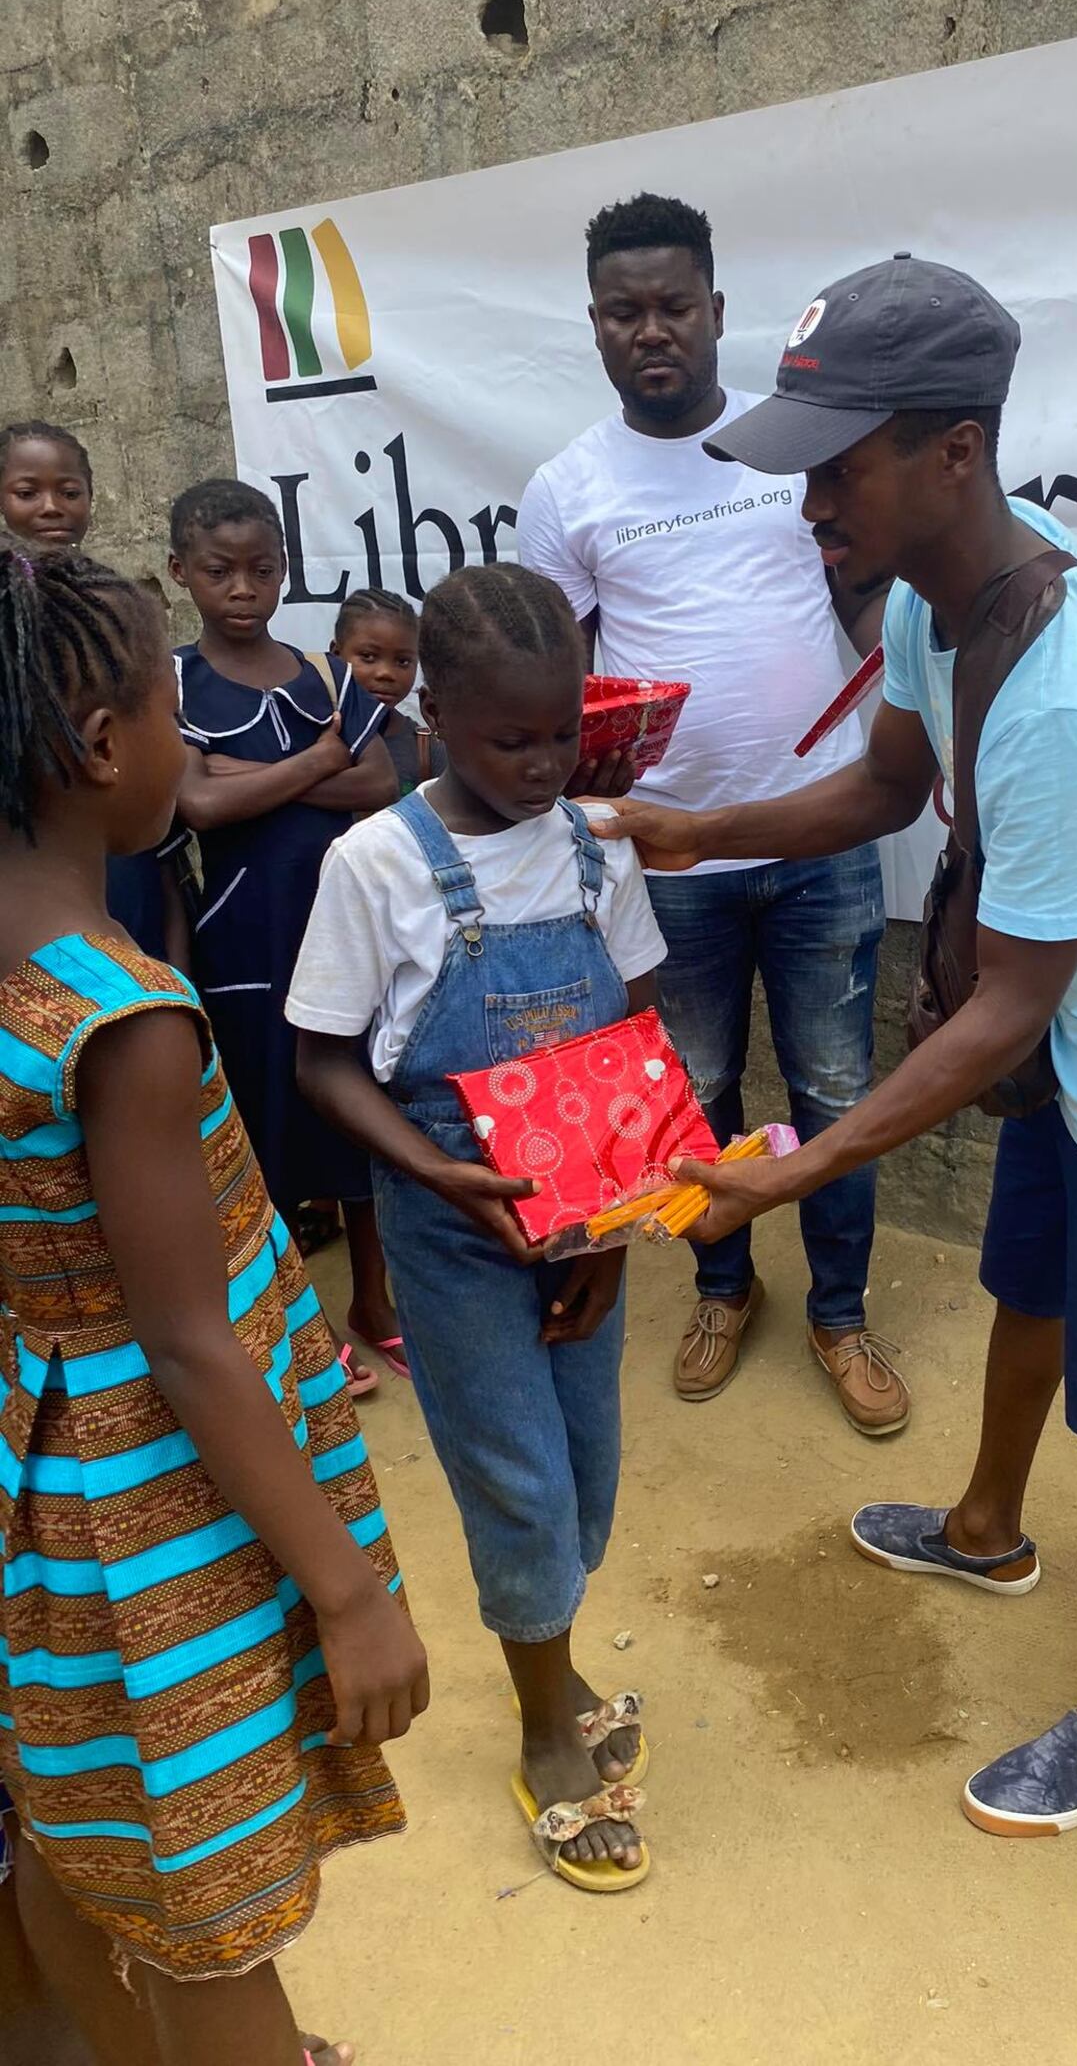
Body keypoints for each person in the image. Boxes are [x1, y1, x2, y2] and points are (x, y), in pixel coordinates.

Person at [595, 254, 1077, 1835]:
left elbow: (1003, 1009)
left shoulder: (1070, 697)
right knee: (1024, 1285)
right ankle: (988, 1526)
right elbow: (883, 793)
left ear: (953, 452)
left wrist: (794, 1169)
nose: (809, 502)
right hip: (1067, 1042)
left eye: (836, 467)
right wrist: (691, 831)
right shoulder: (932, 600)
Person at [0, 537, 428, 2064]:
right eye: (169, 715)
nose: (186, 740)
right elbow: (187, 1338)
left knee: (81, 1825)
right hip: (165, 1514)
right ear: (108, 748)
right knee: (210, 1892)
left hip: (39, 1485)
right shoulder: (124, 1020)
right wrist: (350, 1590)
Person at [290, 564, 668, 1891]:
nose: (545, 762)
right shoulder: (375, 863)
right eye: (513, 737)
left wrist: (618, 1230)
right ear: (436, 712)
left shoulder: (592, 843)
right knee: (517, 1479)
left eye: (564, 731)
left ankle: (555, 1661)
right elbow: (325, 1061)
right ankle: (545, 1727)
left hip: (588, 1218)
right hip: (453, 1235)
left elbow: (635, 1034)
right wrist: (437, 1178)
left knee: (587, 1471)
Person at [517, 192, 911, 1436]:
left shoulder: (792, 448)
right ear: (593, 327)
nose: (652, 331)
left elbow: (859, 604)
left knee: (838, 1086)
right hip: (664, 857)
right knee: (693, 1089)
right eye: (625, 312)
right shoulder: (568, 488)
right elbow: (560, 683)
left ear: (716, 311)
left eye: (673, 306)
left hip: (822, 832)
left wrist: (898, 682)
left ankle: (840, 1315)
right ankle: (724, 1286)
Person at [168, 479, 401, 1397]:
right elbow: (194, 803)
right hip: (243, 945)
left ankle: (375, 1306)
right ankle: (297, 1335)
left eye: (263, 570)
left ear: (285, 571)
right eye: (220, 570)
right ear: (181, 573)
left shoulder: (326, 672)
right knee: (264, 1141)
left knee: (361, 1128)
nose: (243, 588)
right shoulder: (176, 682)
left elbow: (379, 778)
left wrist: (246, 774)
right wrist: (313, 760)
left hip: (345, 936)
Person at [0, 421, 195, 967]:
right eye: (27, 492)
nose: (51, 507)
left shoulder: (110, 605)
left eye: (68, 492)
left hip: (113, 844)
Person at [330, 587, 443, 800]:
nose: (386, 674)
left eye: (403, 661)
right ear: (336, 654)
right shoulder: (306, 736)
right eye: (368, 657)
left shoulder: (426, 750)